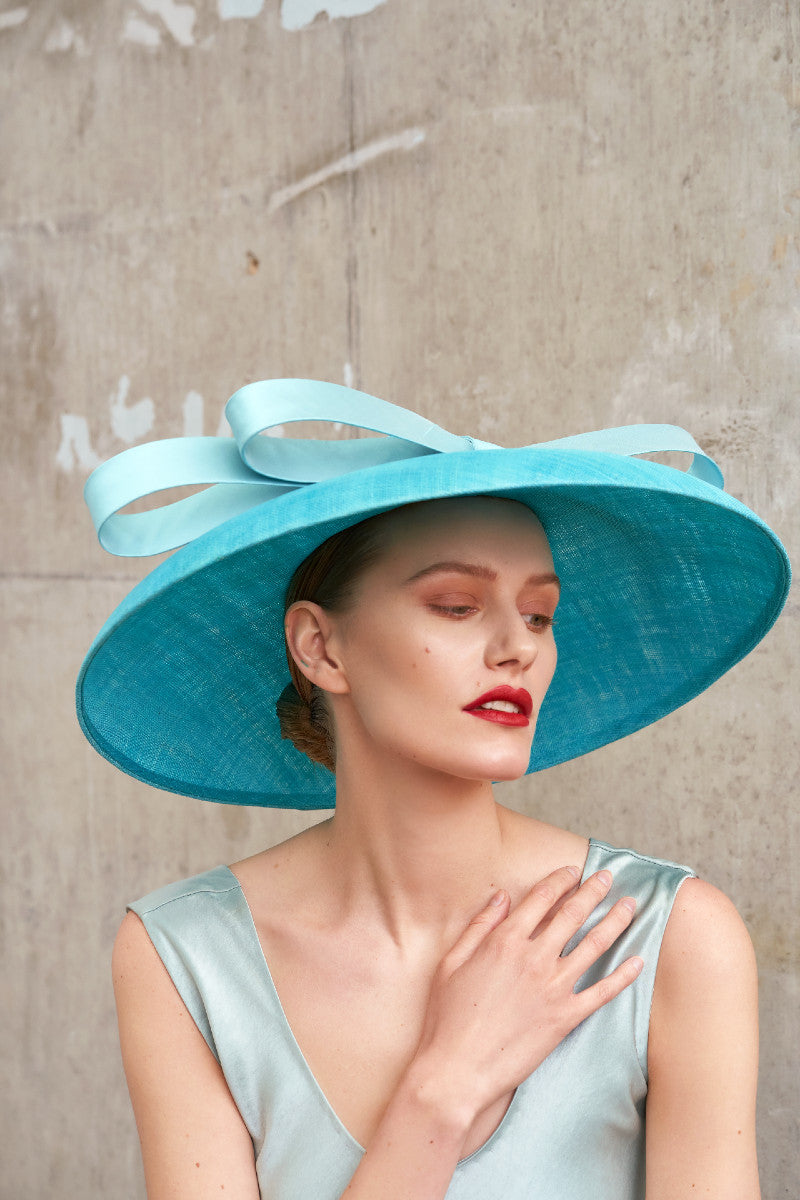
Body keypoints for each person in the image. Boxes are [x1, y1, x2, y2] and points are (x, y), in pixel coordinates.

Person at [78, 379, 790, 1199]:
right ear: (321, 647)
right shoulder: (185, 958)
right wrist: (442, 1091)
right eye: (456, 606)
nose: (516, 648)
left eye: (539, 615)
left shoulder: (667, 939)